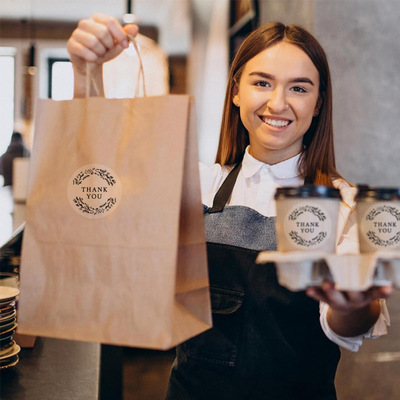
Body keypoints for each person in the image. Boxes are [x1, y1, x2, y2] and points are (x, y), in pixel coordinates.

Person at [67, 15, 393, 399]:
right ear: (236, 91)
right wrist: (86, 72)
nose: (278, 103)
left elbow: (351, 325)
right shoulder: (195, 185)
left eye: (299, 88)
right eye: (262, 83)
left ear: (319, 103)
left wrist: (351, 303)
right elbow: (95, 186)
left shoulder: (345, 203)